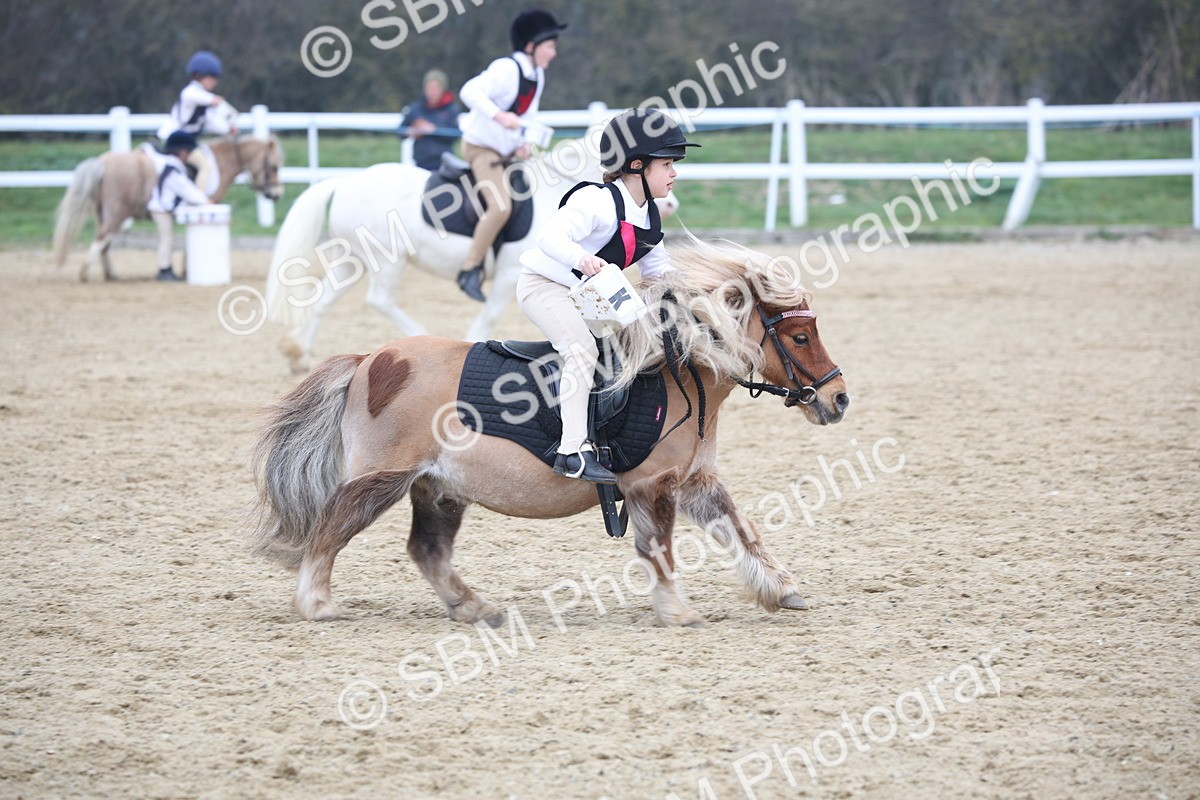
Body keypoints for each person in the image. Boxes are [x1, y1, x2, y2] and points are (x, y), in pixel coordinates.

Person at [517, 108, 700, 482]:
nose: (674, 173)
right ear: (636, 165)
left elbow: (661, 274)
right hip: (544, 286)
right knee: (582, 349)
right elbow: (549, 238)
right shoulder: (596, 201)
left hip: (588, 298)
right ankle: (571, 451)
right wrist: (581, 258)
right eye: (667, 164)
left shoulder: (649, 215)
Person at [455, 9, 568, 302]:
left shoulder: (537, 76)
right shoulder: (505, 69)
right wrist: (498, 116)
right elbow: (469, 91)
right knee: (501, 205)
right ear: (532, 46)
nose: (554, 53)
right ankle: (470, 267)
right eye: (550, 46)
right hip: (480, 148)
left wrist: (524, 143)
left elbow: (529, 116)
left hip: (505, 151)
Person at [157, 50, 238, 197]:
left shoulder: (203, 104)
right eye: (212, 77)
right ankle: (199, 200)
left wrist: (228, 129)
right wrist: (217, 102)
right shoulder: (190, 93)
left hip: (186, 143)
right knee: (205, 167)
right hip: (175, 141)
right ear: (199, 76)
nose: (215, 81)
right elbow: (205, 98)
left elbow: (212, 122)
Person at [139, 131, 212, 281]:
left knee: (167, 238)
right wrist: (204, 200)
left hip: (162, 207)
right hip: (161, 209)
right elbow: (185, 189)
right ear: (183, 152)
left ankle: (166, 268)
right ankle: (164, 269)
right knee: (166, 239)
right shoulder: (173, 169)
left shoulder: (169, 165)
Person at [399, 69, 461, 172]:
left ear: (442, 89)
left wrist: (433, 130)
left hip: (444, 165)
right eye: (429, 88)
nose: (432, 91)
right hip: (420, 165)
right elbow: (400, 131)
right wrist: (410, 132)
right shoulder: (416, 108)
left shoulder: (451, 109)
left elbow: (454, 135)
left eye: (435, 88)